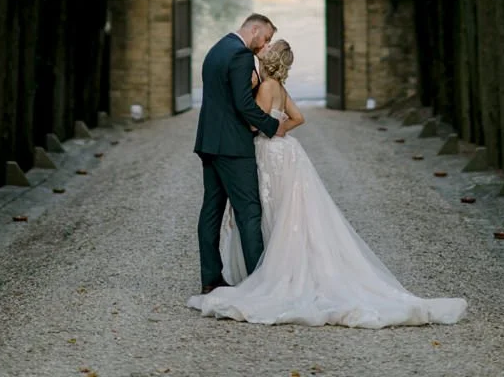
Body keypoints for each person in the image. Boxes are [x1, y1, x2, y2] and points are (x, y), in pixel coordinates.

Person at [188, 39, 468, 328]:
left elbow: (251, 123)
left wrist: (264, 125)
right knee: (287, 211)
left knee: (266, 210)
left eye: (267, 50)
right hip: (287, 151)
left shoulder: (265, 87)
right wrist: (282, 127)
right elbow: (299, 117)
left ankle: (268, 273)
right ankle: (283, 267)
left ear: (269, 61)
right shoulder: (280, 88)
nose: (263, 50)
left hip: (267, 152)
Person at [194, 13, 288, 295]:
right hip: (233, 146)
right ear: (254, 29)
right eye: (266, 38)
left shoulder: (216, 49)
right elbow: (243, 104)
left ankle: (211, 279)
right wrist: (272, 125)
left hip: (209, 142)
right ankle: (259, 282)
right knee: (249, 211)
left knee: (212, 210)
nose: (265, 45)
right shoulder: (240, 55)